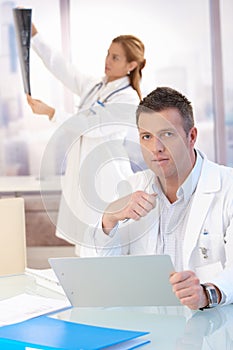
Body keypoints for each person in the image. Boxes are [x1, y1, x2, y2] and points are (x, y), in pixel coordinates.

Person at [80, 86, 233, 310]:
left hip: (212, 330)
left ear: (191, 137)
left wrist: (206, 293)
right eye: (147, 137)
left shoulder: (228, 187)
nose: (156, 148)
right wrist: (109, 220)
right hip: (149, 326)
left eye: (167, 135)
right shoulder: (132, 187)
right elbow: (101, 273)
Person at [27, 23, 146, 252]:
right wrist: (34, 36)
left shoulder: (128, 99)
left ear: (131, 65)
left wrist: (51, 112)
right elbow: (62, 67)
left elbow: (92, 127)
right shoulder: (96, 86)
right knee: (85, 243)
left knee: (103, 245)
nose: (108, 61)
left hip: (106, 182)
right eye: (108, 54)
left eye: (116, 57)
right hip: (84, 178)